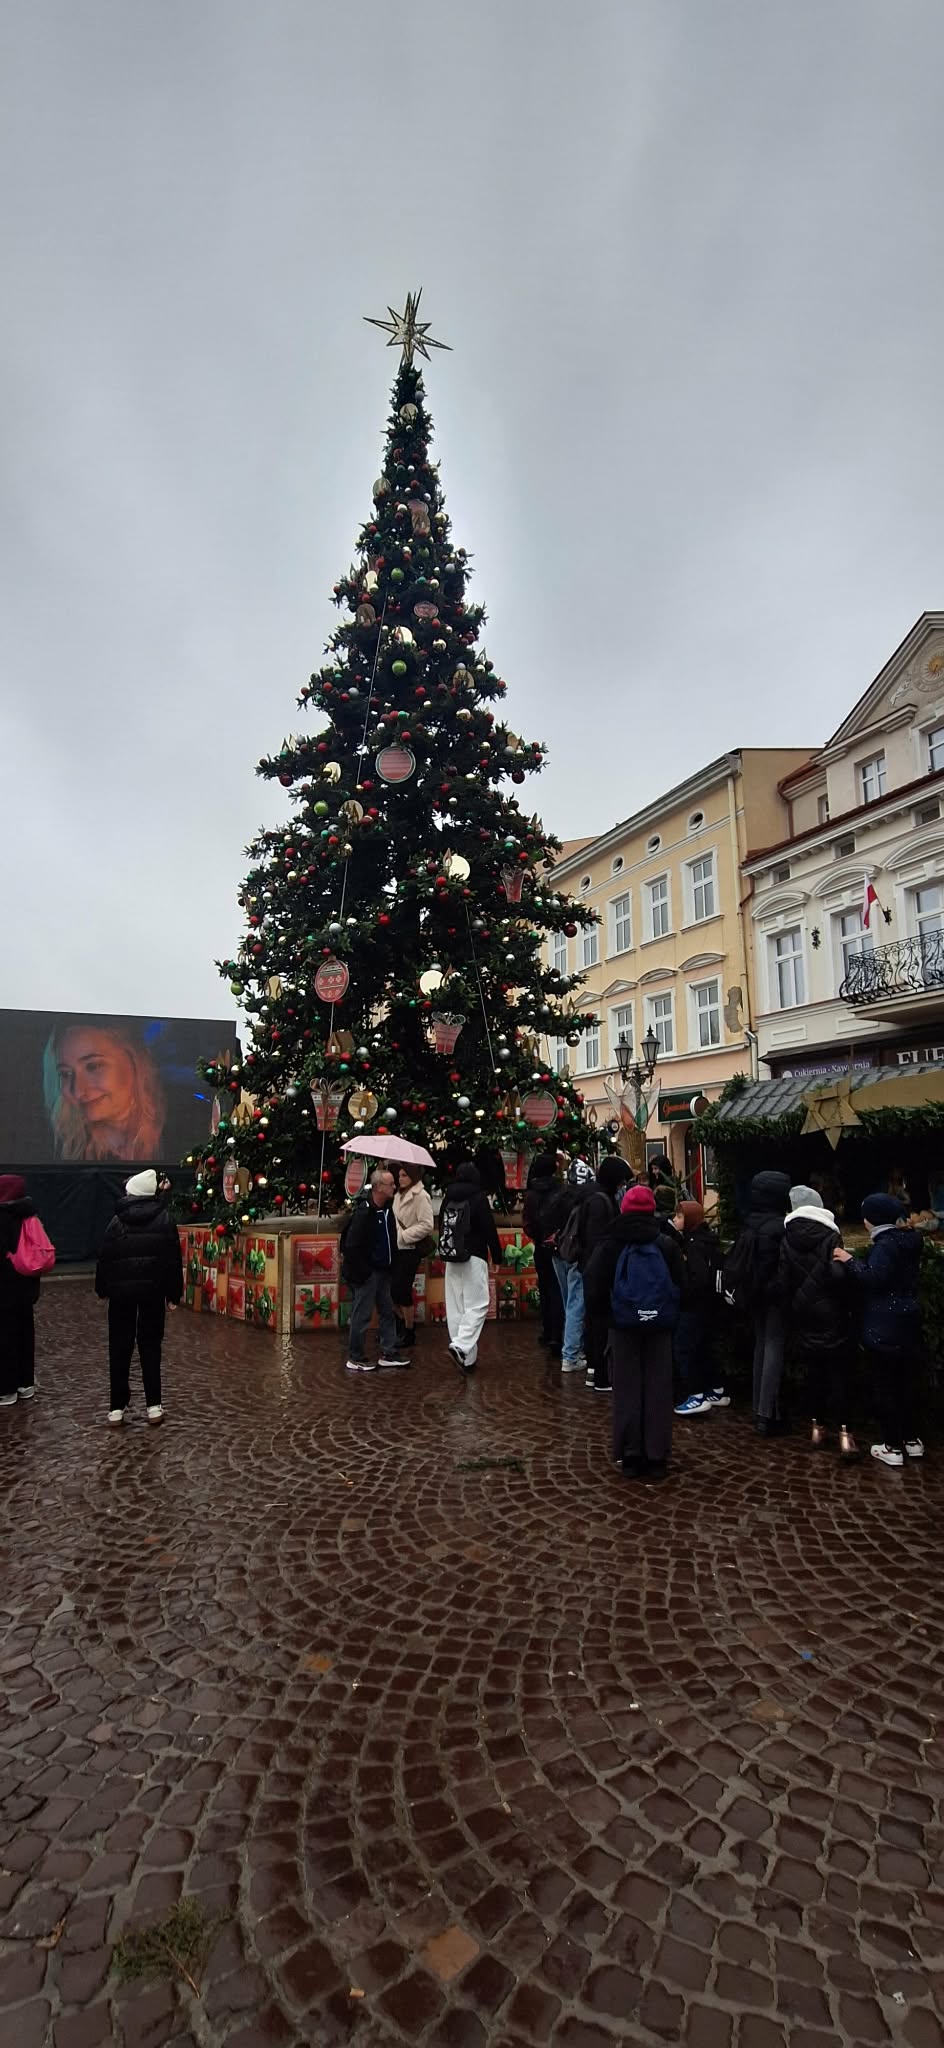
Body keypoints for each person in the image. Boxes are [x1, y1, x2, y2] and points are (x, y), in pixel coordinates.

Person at [583, 1183, 684, 1482]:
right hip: (659, 1326)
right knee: (658, 1388)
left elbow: (593, 1283)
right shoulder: (665, 1243)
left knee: (627, 1389)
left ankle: (630, 1454)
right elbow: (683, 1283)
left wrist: (606, 1318)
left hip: (623, 1325)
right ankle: (656, 1455)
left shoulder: (611, 1242)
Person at [836, 1194, 925, 1468]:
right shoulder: (911, 1240)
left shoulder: (886, 1245)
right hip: (909, 1318)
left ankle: (891, 1445)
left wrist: (849, 1260)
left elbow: (874, 1278)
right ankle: (912, 1439)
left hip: (885, 1322)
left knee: (885, 1384)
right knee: (906, 1382)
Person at [94, 1169, 183, 1425]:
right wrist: (173, 1294)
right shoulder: (164, 1220)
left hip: (121, 1296)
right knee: (151, 1346)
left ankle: (116, 1408)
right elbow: (172, 1261)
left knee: (119, 1348)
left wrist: (103, 1289)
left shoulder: (116, 1221)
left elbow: (105, 1259)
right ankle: (154, 1405)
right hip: (152, 1294)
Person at [778, 1185, 859, 1459]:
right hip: (832, 1313)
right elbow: (838, 1275)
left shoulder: (787, 1236)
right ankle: (845, 1434)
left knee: (814, 1373)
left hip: (803, 1314)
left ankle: (817, 1427)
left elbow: (784, 1279)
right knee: (839, 1375)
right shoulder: (830, 1235)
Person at [723, 1169, 791, 1436]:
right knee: (773, 1346)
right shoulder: (778, 1226)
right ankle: (767, 1413)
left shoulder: (750, 1221)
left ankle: (758, 1406)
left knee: (761, 1345)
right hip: (772, 1296)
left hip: (753, 1294)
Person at [43, 1019, 166, 1163]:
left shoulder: (183, 1133)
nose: (77, 1091)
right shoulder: (58, 1148)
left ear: (135, 1060)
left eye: (93, 1066)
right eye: (66, 1074)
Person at [340, 1168, 408, 1374]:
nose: (394, 1187)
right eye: (390, 1184)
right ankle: (355, 1356)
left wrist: (392, 1264)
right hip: (367, 1273)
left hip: (383, 1271)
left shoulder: (387, 1210)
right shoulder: (364, 1212)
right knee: (362, 1315)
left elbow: (389, 1240)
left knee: (387, 1311)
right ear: (378, 1187)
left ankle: (389, 1352)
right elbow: (351, 1245)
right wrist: (365, 1271)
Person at [574, 1157, 632, 1393]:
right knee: (599, 1323)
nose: (622, 1187)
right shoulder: (601, 1202)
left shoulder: (594, 1197)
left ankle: (594, 1370)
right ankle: (600, 1375)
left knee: (593, 1320)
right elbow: (599, 1241)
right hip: (597, 1270)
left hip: (591, 1267)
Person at [439, 1161, 502, 1373]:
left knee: (456, 1307)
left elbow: (442, 1225)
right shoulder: (478, 1197)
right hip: (474, 1256)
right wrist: (498, 1256)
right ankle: (461, 1346)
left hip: (452, 1256)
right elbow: (488, 1228)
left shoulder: (448, 1195)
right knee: (478, 1304)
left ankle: (466, 1358)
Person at [673, 1199, 727, 1416]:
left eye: (679, 1216)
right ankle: (716, 1389)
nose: (675, 1220)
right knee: (705, 1347)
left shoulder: (693, 1245)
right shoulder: (708, 1241)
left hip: (694, 1306)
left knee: (685, 1348)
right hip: (710, 1306)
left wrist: (684, 1294)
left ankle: (694, 1395)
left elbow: (699, 1278)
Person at [0, 1175, 47, 1407]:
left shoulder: (3, 1217)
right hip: (27, 1287)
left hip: (5, 1289)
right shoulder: (30, 1215)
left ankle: (7, 1389)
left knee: (5, 1337)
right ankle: (26, 1384)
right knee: (25, 1334)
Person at [550, 1158, 595, 1372]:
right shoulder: (584, 1201)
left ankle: (572, 1349)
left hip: (559, 1254)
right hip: (576, 1255)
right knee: (576, 1304)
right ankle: (571, 1354)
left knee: (569, 1302)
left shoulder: (558, 1197)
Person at [522, 1153, 564, 1354]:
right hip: (558, 1246)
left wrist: (537, 1236)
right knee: (558, 1289)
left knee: (546, 1288)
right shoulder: (561, 1190)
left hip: (540, 1246)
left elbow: (528, 1224)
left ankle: (547, 1331)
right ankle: (558, 1334)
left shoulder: (531, 1194)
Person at [391, 1164, 434, 1349]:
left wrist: (403, 1236)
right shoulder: (398, 1195)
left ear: (413, 1177)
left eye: (404, 1175)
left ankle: (409, 1332)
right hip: (395, 1248)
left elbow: (426, 1224)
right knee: (392, 1291)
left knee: (402, 1290)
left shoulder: (421, 1196)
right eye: (399, 1175)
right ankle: (399, 1326)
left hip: (410, 1249)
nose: (400, 1179)